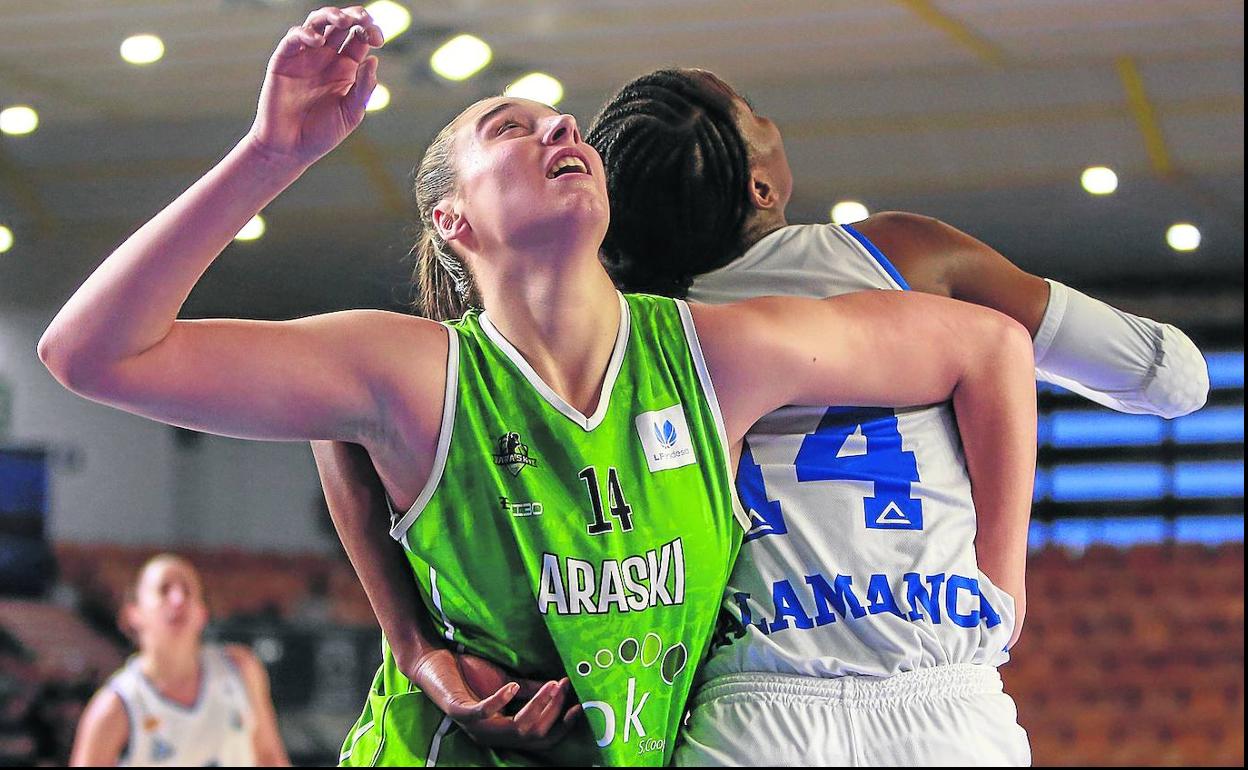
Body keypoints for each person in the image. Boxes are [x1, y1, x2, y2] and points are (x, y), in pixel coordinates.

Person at [37, 7, 1038, 765]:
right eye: (509, 128)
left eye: (561, 120)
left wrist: (1000, 587)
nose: (560, 123)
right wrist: (270, 155)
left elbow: (989, 346)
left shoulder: (714, 354)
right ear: (452, 221)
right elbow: (91, 353)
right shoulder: (417, 373)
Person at [581, 68, 1211, 765]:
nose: (771, 121)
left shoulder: (624, 330)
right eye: (754, 113)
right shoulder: (903, 254)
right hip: (941, 692)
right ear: (761, 187)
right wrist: (1004, 580)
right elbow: (1172, 381)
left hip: (750, 706)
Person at [68, 554, 289, 766]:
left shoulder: (240, 667)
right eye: (164, 590)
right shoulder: (115, 705)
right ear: (133, 613)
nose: (178, 600)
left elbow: (270, 757)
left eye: (187, 591)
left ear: (202, 613)